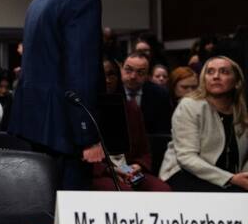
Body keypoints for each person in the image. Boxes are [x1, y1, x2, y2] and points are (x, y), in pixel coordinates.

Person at [9, 0, 115, 190]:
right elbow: (82, 69)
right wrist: (88, 135)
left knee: (43, 209)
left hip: (35, 123)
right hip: (65, 131)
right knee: (68, 217)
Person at [159, 56, 248, 192]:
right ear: (203, 79)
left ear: (237, 81)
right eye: (210, 72)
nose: (216, 76)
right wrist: (230, 179)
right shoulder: (189, 105)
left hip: (229, 177)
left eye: (224, 72)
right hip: (185, 173)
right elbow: (186, 158)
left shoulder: (242, 111)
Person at [92, 53, 170, 191]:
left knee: (162, 190)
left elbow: (144, 151)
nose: (108, 80)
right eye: (102, 75)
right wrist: (110, 170)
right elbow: (80, 155)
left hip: (128, 168)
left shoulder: (131, 108)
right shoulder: (83, 108)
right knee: (125, 192)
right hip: (100, 172)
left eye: (112, 74)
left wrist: (137, 166)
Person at [121, 52, 172, 137]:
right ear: (121, 69)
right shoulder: (112, 91)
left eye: (140, 72)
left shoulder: (160, 95)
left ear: (148, 76)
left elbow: (163, 131)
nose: (133, 76)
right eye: (128, 70)